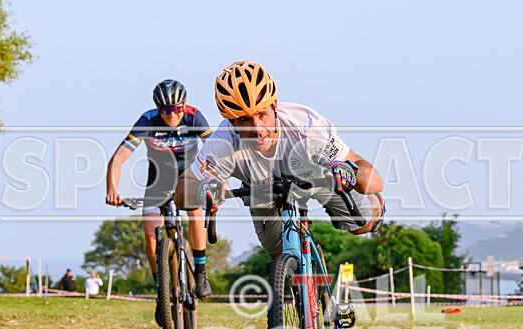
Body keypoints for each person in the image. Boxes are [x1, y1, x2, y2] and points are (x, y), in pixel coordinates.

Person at [174, 61, 386, 261]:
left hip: (315, 174)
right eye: (244, 120)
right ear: (231, 121)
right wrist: (204, 189)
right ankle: (307, 282)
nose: (257, 129)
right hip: (261, 187)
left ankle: (375, 206)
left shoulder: (307, 127)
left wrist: (351, 173)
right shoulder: (222, 143)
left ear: (274, 105)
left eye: (262, 115)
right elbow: (182, 196)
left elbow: (375, 180)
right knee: (281, 257)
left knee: (362, 226)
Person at [105, 79, 213, 298]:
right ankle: (161, 290)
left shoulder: (194, 117)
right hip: (158, 182)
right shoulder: (148, 121)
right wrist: (112, 189)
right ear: (157, 109)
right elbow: (118, 158)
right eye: (165, 110)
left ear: (184, 105)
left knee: (194, 211)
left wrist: (214, 181)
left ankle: (200, 273)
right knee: (151, 237)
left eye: (176, 109)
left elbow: (214, 150)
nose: (172, 114)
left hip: (187, 176)